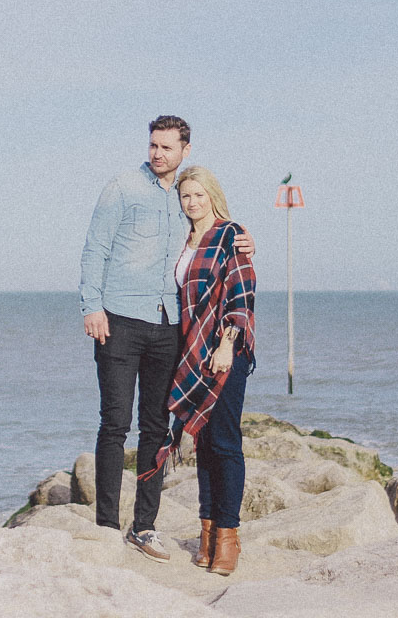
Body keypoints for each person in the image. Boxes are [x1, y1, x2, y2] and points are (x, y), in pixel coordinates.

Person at [78, 117, 253, 562]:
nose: (158, 154)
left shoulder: (186, 197)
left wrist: (245, 240)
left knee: (157, 428)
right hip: (118, 319)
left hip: (169, 328)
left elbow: (214, 234)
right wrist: (91, 306)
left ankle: (145, 527)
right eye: (153, 145)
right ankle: (104, 524)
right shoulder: (121, 188)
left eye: (167, 147)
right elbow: (95, 247)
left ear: (185, 150)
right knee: (115, 423)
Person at [140, 164, 256, 575]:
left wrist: (227, 344)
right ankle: (206, 535)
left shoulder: (230, 234)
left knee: (225, 442)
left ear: (212, 195)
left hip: (224, 352)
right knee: (203, 446)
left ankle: (229, 536)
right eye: (185, 196)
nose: (191, 202)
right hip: (190, 353)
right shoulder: (183, 241)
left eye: (198, 195)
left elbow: (242, 292)